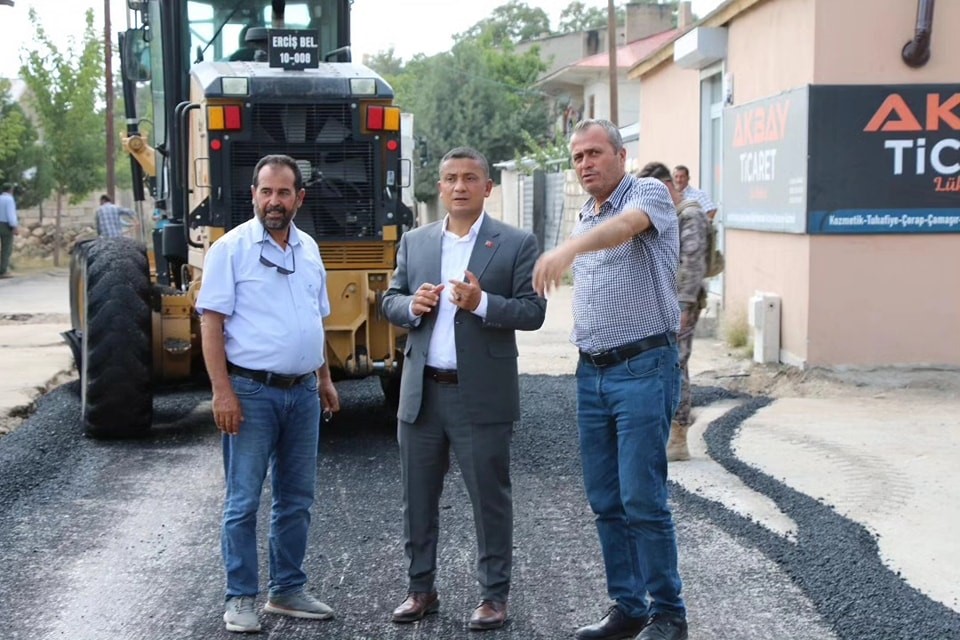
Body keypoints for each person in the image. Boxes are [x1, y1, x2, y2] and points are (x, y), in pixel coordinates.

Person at [533, 120, 688, 640]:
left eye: (595, 153)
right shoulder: (585, 213)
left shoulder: (647, 192)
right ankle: (629, 607)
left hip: (643, 367)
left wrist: (568, 249)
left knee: (643, 497)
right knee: (605, 499)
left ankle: (669, 615)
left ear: (621, 155)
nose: (585, 164)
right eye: (577, 157)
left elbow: (626, 228)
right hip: (592, 373)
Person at [381, 146, 546, 631]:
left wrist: (482, 302)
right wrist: (412, 305)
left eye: (470, 178)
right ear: (440, 186)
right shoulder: (416, 242)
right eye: (450, 177)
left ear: (487, 187)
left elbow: (533, 313)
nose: (459, 186)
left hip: (481, 396)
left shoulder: (515, 243)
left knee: (489, 499)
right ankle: (420, 590)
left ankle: (494, 597)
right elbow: (389, 300)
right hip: (422, 394)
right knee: (417, 498)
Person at [195, 154, 340, 634]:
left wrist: (323, 379)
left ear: (299, 198)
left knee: (296, 498)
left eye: (283, 192)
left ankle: (287, 590)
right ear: (253, 195)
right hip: (250, 393)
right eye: (265, 191)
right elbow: (211, 322)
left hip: (301, 395)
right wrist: (222, 392)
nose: (273, 201)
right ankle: (240, 597)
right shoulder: (230, 250)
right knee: (243, 501)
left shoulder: (310, 249)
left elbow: (314, 320)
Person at [637, 162, 710, 463]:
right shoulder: (671, 215)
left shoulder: (690, 214)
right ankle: (664, 432)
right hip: (663, 304)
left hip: (681, 305)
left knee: (676, 367)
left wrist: (681, 307)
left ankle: (678, 438)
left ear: (667, 186)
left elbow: (692, 265)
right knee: (664, 366)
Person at [0, 183, 19, 278]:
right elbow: (11, 215)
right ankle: (3, 270)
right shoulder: (9, 199)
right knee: (6, 249)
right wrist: (14, 226)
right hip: (5, 226)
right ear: (11, 190)